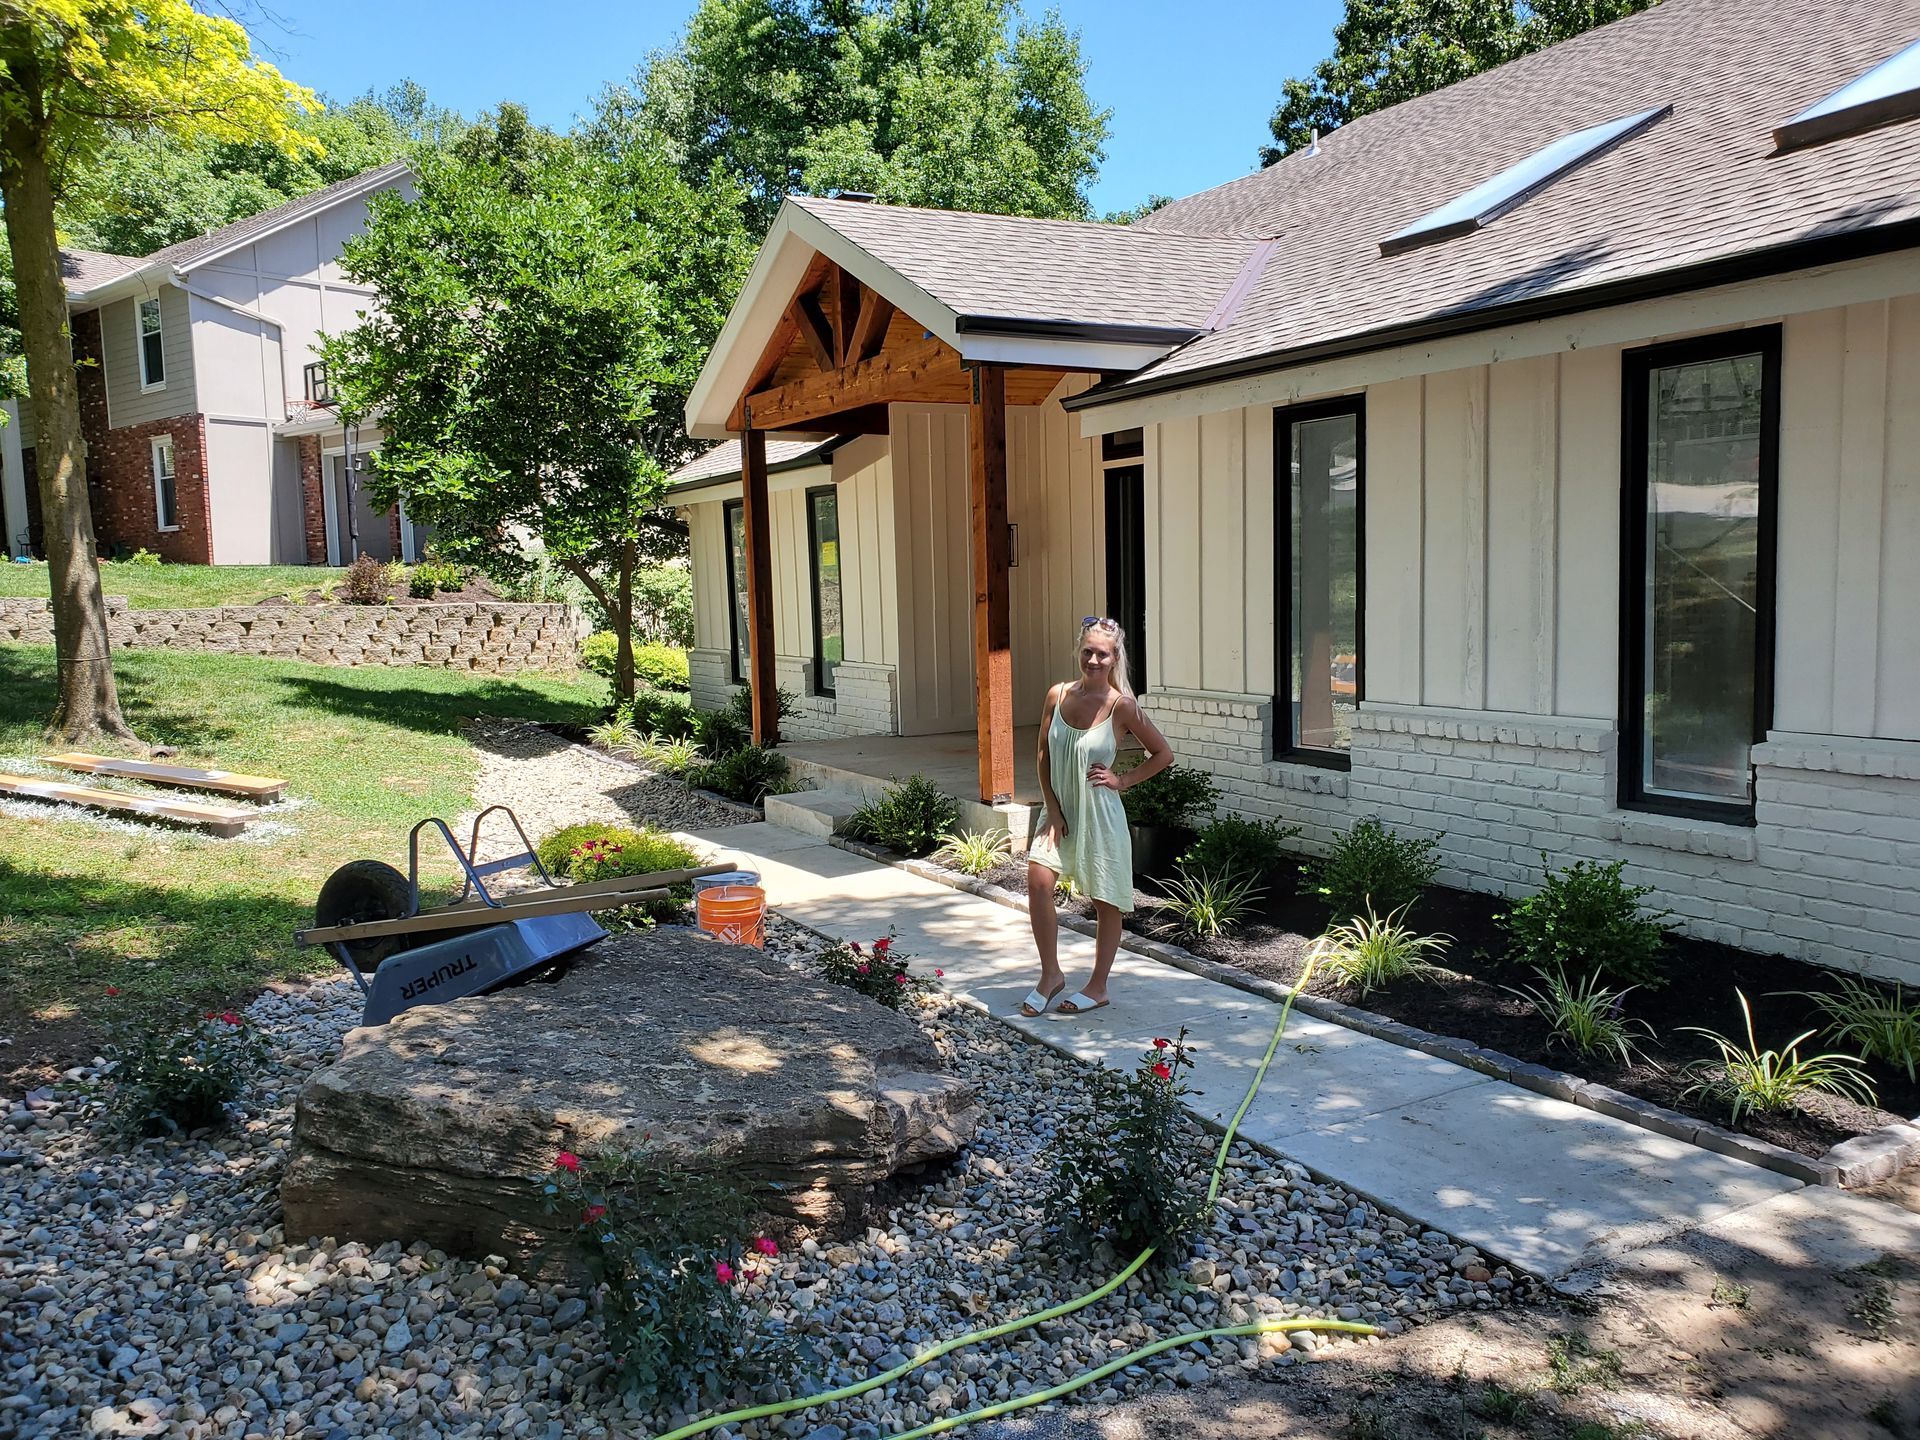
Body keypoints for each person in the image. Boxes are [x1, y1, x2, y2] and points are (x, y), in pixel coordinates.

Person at [1021, 616, 1173, 1017]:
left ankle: (1098, 985)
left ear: (1114, 657)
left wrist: (1122, 780)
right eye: (1087, 651)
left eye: (1101, 654)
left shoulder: (1121, 706)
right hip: (1059, 812)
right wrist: (1051, 810)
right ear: (1079, 651)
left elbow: (1163, 755)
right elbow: (1042, 754)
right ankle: (1050, 975)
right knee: (1037, 882)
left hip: (1101, 814)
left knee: (1106, 902)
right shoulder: (1057, 694)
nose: (1092, 659)